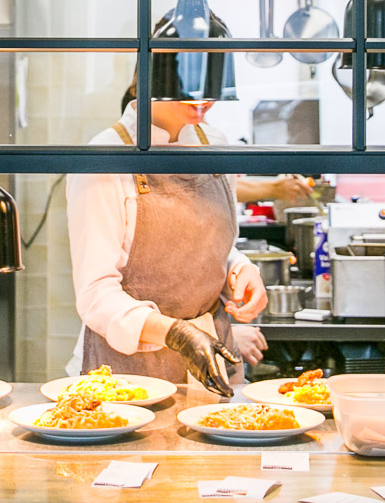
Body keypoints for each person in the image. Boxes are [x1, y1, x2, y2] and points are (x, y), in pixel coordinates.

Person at [66, 87, 314, 395]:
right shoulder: (104, 157)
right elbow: (95, 295)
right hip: (128, 376)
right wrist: (177, 334)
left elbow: (215, 244)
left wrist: (239, 268)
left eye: (213, 86)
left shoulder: (214, 143)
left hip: (213, 360)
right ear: (151, 77)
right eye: (190, 85)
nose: (204, 100)